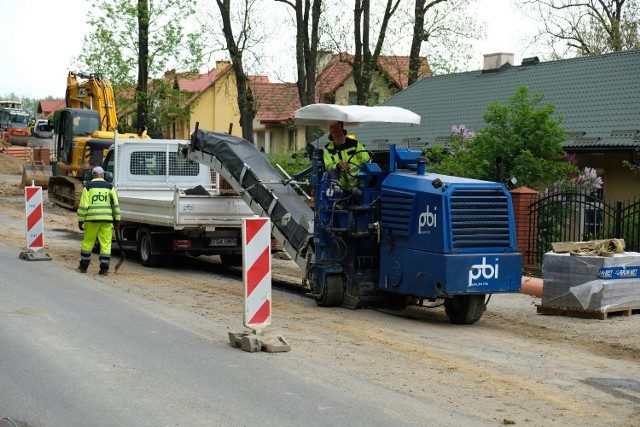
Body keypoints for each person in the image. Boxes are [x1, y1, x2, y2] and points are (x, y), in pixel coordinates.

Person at [77, 166, 121, 276]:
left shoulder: (88, 187)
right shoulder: (110, 187)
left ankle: (83, 267)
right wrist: (117, 220)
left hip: (91, 220)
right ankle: (104, 269)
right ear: (102, 175)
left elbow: (83, 205)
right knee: (106, 244)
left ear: (93, 175)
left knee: (88, 243)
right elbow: (115, 205)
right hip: (107, 220)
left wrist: (80, 220)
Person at [323, 121, 370, 188]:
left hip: (357, 179)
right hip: (341, 181)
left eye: (340, 135)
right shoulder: (327, 149)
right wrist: (338, 165)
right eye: (336, 137)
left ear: (344, 133)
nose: (339, 138)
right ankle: (338, 194)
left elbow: (366, 160)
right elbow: (328, 166)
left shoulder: (354, 144)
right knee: (330, 172)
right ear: (331, 137)